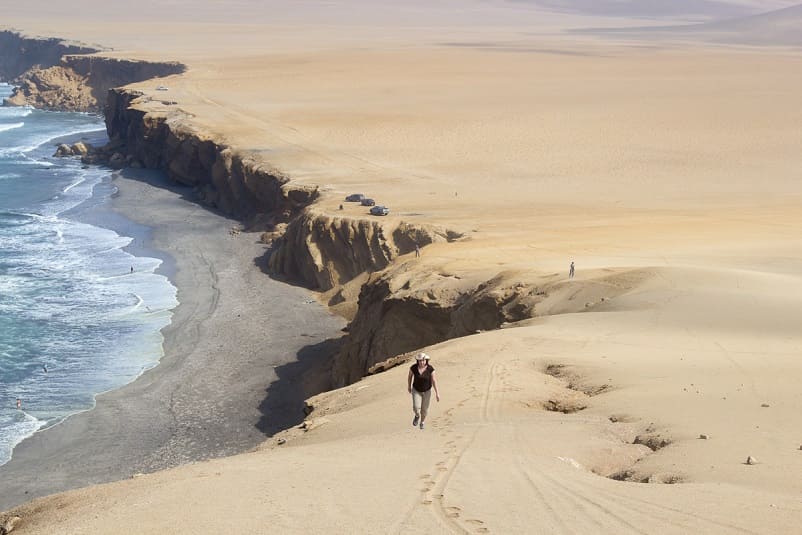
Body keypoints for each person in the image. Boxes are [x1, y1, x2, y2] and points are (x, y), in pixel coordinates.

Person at [407, 352, 440, 430]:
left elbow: (434, 381)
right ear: (417, 361)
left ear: (426, 360)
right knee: (416, 407)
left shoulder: (430, 369)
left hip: (427, 391)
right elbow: (409, 377)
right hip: (416, 390)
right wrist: (409, 386)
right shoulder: (413, 368)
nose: (422, 362)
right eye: (420, 360)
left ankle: (422, 422)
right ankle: (417, 416)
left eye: (423, 360)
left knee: (424, 409)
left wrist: (437, 393)